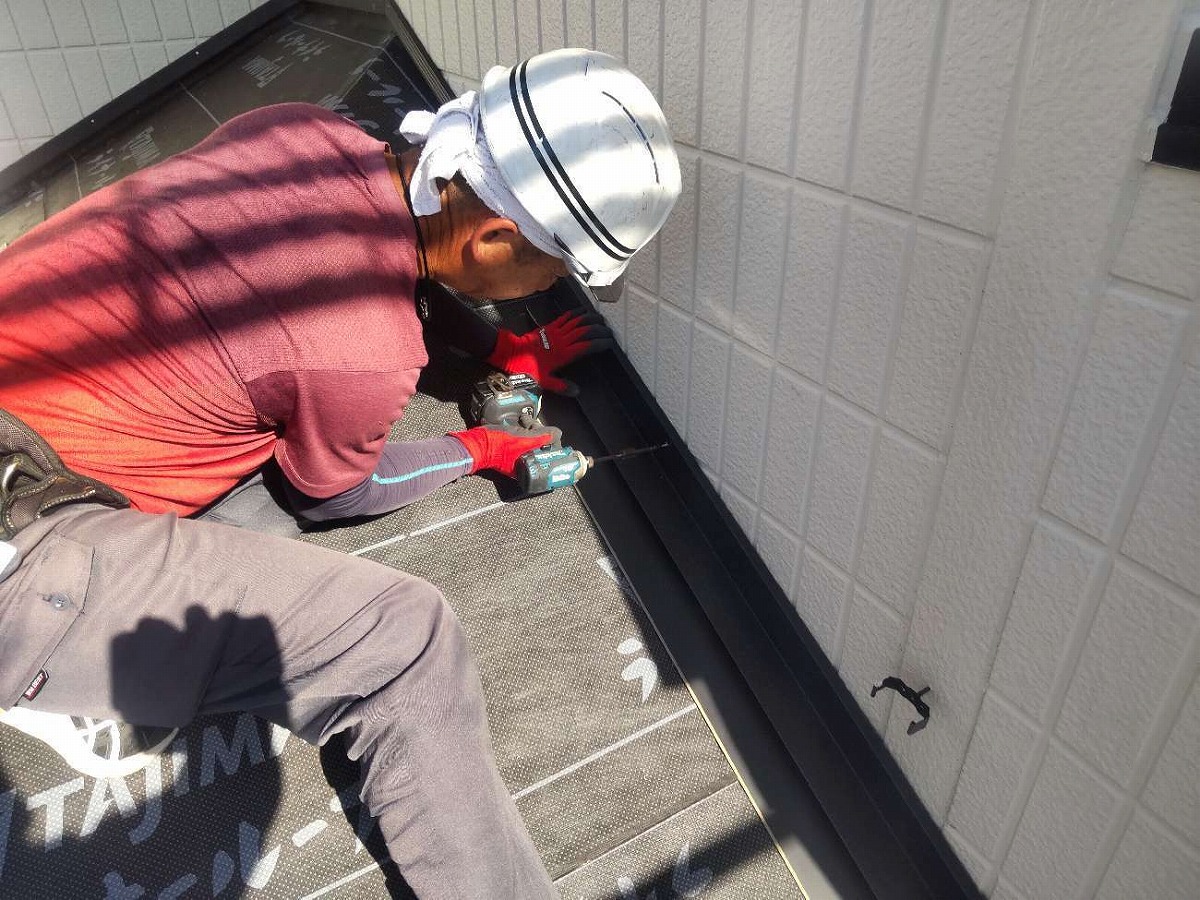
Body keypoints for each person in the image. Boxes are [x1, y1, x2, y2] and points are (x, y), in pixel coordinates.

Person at [0, 48, 680, 899]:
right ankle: (62, 664)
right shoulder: (366, 351)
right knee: (399, 639)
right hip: (23, 527)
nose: (552, 285)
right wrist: (481, 450)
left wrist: (500, 349)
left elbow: (391, 264)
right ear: (498, 238)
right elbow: (338, 488)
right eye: (558, 268)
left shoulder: (306, 134)